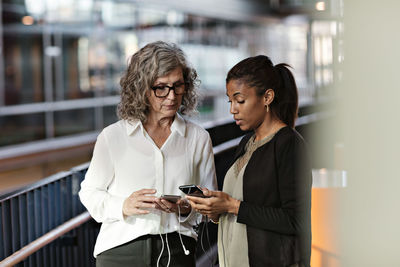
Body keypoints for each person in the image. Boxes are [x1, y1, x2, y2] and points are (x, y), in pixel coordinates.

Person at [79, 41, 217, 267]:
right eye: (161, 88)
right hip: (120, 251)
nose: (171, 96)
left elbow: (208, 201)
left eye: (178, 86)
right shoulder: (113, 137)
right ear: (142, 88)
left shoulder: (198, 138)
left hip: (177, 251)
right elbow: (89, 193)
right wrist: (123, 205)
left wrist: (184, 207)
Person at [187, 55, 312, 267]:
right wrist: (217, 209)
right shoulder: (246, 142)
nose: (232, 109)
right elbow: (244, 206)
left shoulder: (289, 144)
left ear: (267, 97)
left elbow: (296, 220)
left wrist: (233, 205)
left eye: (240, 100)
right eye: (230, 100)